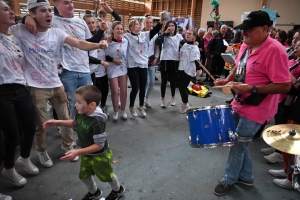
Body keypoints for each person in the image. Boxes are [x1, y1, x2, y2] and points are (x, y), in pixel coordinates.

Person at [11, 0, 108, 167]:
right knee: (42, 125)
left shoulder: (56, 32)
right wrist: (25, 18)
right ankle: (41, 152)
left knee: (65, 117)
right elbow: (5, 29)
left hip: (56, 83)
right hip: (36, 86)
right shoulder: (20, 31)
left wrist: (98, 44)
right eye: (43, 11)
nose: (48, 14)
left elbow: (79, 43)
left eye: (48, 10)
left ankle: (67, 145)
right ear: (33, 14)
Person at [213, 11, 291, 196]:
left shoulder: (275, 50)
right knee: (240, 142)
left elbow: (285, 85)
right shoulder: (246, 46)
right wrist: (227, 80)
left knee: (237, 145)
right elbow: (238, 67)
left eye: (249, 30)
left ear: (265, 29)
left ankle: (229, 179)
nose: (244, 33)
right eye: (243, 30)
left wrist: (252, 89)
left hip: (258, 108)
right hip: (239, 102)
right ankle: (246, 177)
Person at [43, 85, 125, 200]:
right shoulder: (81, 111)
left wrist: (77, 152)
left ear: (92, 105)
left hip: (100, 155)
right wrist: (57, 122)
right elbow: (75, 123)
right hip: (86, 153)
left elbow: (99, 145)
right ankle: (94, 192)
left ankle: (118, 190)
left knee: (107, 176)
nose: (75, 105)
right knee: (84, 176)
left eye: (79, 102)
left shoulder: (97, 121)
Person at [0, 0, 38, 187]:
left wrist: (29, 17)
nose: (11, 12)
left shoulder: (13, 35)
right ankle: (9, 169)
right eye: (5, 9)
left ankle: (24, 157)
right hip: (2, 91)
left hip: (19, 87)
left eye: (10, 8)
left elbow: (38, 19)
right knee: (11, 135)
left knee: (30, 127)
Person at [124, 19, 162, 117]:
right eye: (136, 24)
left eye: (139, 24)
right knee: (135, 88)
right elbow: (117, 38)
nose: (138, 25)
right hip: (132, 65)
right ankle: (131, 107)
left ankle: (141, 106)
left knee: (142, 87)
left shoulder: (145, 35)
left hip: (143, 65)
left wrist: (161, 22)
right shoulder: (126, 36)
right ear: (131, 27)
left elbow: (155, 30)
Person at [155, 20, 184, 108]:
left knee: (173, 81)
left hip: (174, 61)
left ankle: (173, 98)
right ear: (167, 27)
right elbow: (157, 42)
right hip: (164, 60)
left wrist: (193, 44)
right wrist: (165, 33)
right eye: (169, 26)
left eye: (173, 25)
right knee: (163, 81)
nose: (171, 27)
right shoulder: (164, 36)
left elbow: (185, 44)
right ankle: (162, 99)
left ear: (175, 27)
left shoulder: (179, 36)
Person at [105, 21, 128, 121]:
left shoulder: (126, 41)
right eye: (117, 28)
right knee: (114, 91)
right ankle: (115, 111)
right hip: (112, 67)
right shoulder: (107, 41)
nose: (120, 31)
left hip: (123, 68)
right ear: (113, 30)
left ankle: (123, 110)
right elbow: (104, 55)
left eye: (121, 29)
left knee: (123, 91)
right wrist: (113, 60)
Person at [178, 29, 201, 113]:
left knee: (183, 87)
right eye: (187, 33)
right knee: (180, 87)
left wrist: (198, 70)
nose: (187, 35)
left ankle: (186, 104)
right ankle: (184, 103)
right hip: (181, 67)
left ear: (194, 36)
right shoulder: (184, 44)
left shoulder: (195, 47)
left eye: (190, 34)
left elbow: (196, 60)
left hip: (189, 69)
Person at [142, 16, 160, 108]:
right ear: (144, 24)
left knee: (152, 82)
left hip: (152, 60)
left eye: (151, 22)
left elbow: (157, 47)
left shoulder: (155, 34)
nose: (149, 24)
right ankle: (142, 101)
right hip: (143, 61)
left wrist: (156, 58)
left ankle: (146, 98)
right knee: (145, 82)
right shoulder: (140, 34)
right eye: (147, 22)